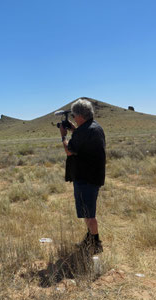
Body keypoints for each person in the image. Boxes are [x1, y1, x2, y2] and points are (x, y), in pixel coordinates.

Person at [59, 98, 106, 254]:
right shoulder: (95, 127)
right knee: (87, 211)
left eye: (73, 115)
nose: (73, 118)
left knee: (89, 214)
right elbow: (83, 140)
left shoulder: (85, 130)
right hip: (93, 175)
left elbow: (69, 150)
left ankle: (96, 243)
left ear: (80, 115)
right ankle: (89, 239)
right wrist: (74, 130)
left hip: (86, 177)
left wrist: (63, 136)